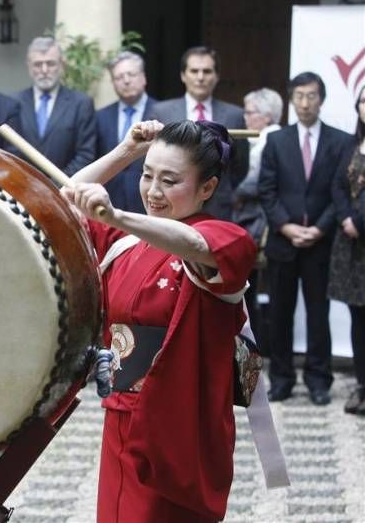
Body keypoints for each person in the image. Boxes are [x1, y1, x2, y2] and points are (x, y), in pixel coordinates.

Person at [63, 120, 256, 521]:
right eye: (146, 176)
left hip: (178, 422)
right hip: (120, 412)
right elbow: (66, 200)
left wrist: (116, 216)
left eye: (170, 181)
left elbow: (195, 244)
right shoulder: (126, 242)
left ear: (208, 188)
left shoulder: (226, 239)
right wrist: (127, 151)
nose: (153, 191)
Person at [259, 72, 354, 405]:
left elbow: (339, 194)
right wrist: (286, 227)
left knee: (318, 314)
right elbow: (266, 191)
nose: (305, 102)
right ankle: (281, 378)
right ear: (291, 99)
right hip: (283, 243)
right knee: (281, 313)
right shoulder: (276, 141)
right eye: (298, 95)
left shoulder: (340, 142)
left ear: (321, 99)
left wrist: (320, 228)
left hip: (321, 243)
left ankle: (318, 380)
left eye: (311, 96)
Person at [150, 46, 247, 220]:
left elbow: (240, 165)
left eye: (207, 71)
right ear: (183, 75)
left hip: (219, 204)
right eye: (194, 71)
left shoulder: (235, 115)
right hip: (171, 203)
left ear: (216, 76)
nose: (200, 77)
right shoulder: (161, 112)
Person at [234, 87, 283, 342]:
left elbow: (254, 181)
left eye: (250, 112)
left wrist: (228, 190)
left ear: (266, 116)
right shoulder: (256, 139)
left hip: (258, 221)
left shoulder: (270, 140)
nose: (245, 117)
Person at [328, 84, 365, 415]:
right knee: (357, 318)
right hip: (351, 249)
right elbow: (337, 186)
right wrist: (346, 219)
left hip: (361, 232)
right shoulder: (350, 145)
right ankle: (361, 385)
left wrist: (360, 220)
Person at [15, 36, 95, 177]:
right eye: (38, 64)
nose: (44, 70)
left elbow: (86, 154)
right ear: (29, 66)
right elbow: (9, 151)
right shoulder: (14, 102)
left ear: (62, 65)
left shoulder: (81, 103)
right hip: (22, 189)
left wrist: (55, 186)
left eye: (50, 64)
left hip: (64, 191)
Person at [94, 51, 158, 212]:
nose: (126, 81)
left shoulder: (162, 112)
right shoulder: (100, 117)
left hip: (150, 202)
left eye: (131, 74)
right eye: (119, 77)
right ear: (113, 83)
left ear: (143, 78)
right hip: (110, 204)